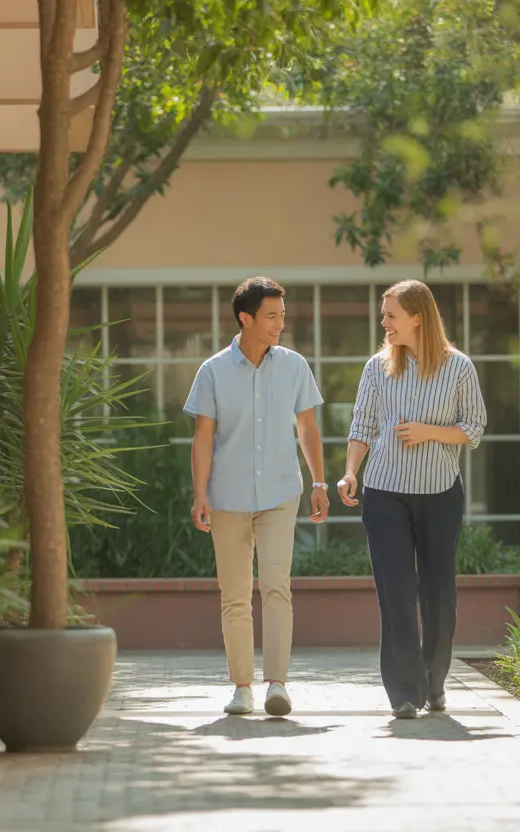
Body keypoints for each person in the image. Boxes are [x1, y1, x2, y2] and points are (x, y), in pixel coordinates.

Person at [337, 279, 486, 719]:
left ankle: (434, 681)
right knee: (396, 592)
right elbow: (362, 424)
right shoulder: (377, 368)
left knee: (438, 591)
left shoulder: (459, 368)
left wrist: (429, 433)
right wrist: (350, 472)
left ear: (418, 317)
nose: (383, 322)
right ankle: (404, 692)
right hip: (384, 494)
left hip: (440, 494)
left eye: (391, 315)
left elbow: (474, 428)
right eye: (384, 315)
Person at [184, 276, 330, 717]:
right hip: (227, 497)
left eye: (282, 316)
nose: (279, 324)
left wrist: (319, 482)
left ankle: (277, 685)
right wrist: (200, 494)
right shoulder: (212, 371)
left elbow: (307, 427)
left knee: (276, 587)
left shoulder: (293, 366)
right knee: (234, 593)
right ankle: (242, 687)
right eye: (271, 316)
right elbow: (203, 439)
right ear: (245, 318)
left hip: (280, 494)